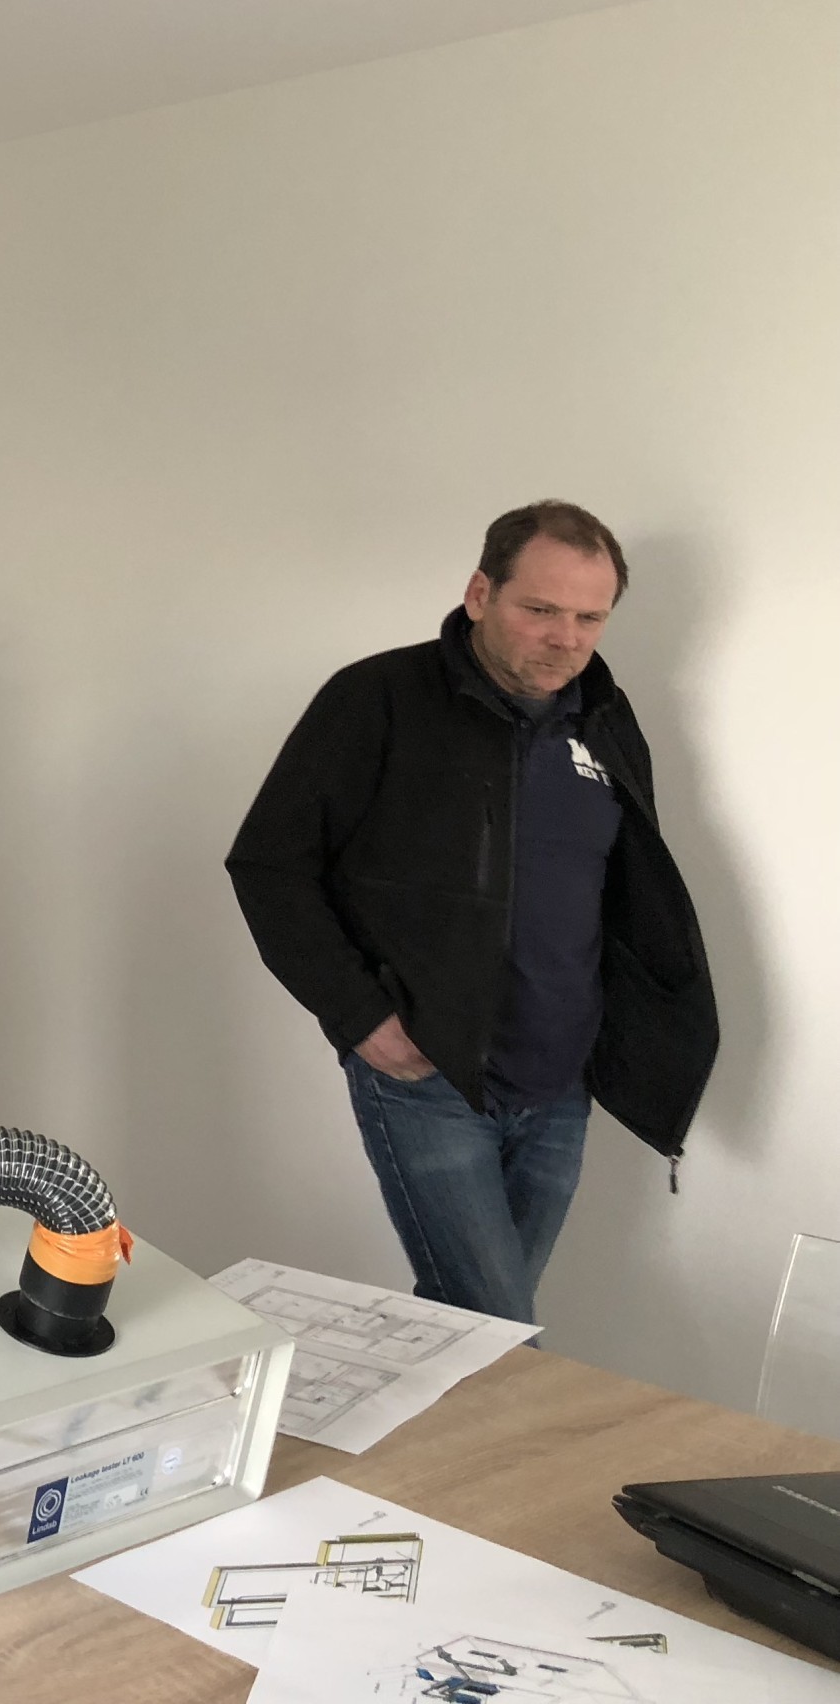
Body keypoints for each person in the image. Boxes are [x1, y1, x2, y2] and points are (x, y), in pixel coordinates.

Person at [226, 501, 717, 1325]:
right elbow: (271, 867)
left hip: (560, 1085)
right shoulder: (377, 699)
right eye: (540, 610)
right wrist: (359, 1017)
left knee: (468, 1329)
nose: (565, 639)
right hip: (428, 1076)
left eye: (589, 618)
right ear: (480, 592)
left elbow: (625, 890)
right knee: (500, 1334)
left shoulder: (605, 719)